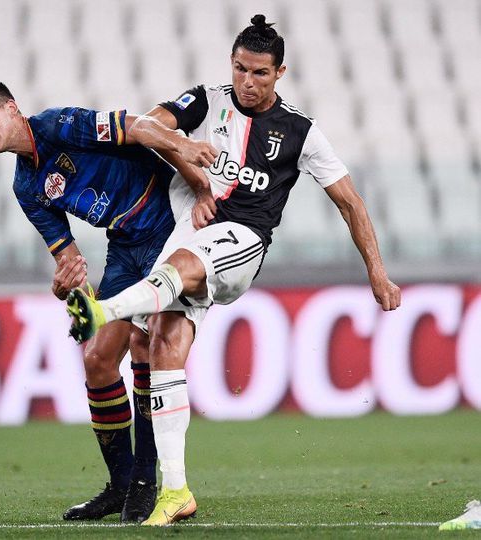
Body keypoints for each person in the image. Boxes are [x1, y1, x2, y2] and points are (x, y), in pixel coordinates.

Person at [67, 15, 402, 526]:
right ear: (232, 63)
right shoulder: (206, 99)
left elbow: (351, 203)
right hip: (190, 233)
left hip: (240, 242)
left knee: (179, 270)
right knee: (163, 345)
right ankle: (176, 492)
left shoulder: (301, 132)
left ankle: (102, 309)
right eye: (241, 69)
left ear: (280, 72)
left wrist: (377, 273)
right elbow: (148, 127)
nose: (248, 81)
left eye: (261, 74)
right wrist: (192, 170)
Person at [0, 78, 216, 522]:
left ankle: (144, 482)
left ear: (11, 108)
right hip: (124, 243)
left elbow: (135, 127)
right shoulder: (25, 187)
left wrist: (182, 148)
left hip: (167, 225)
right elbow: (71, 264)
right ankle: (118, 485)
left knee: (143, 346)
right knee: (94, 356)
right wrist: (65, 291)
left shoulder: (59, 126)